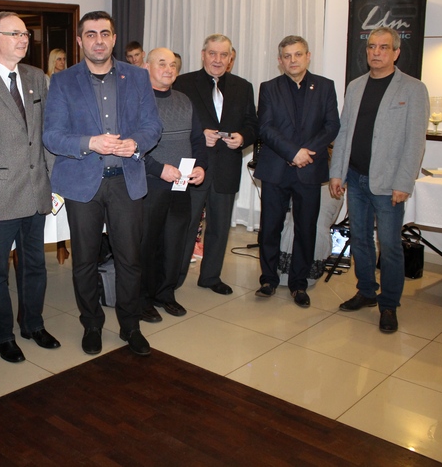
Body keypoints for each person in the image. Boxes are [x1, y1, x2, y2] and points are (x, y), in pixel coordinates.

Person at [43, 11, 162, 356]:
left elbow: (152, 126)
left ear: (114, 38)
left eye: (105, 34)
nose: (99, 40)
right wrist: (89, 143)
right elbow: (52, 135)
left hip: (126, 181)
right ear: (80, 40)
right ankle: (92, 324)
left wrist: (135, 143)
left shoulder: (137, 77)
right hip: (82, 184)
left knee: (130, 259)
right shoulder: (63, 81)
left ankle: (130, 326)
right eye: (91, 34)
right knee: (84, 261)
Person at [0, 12, 59, 363]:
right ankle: (3, 335)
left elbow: (46, 134)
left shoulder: (37, 78)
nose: (24, 40)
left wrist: (53, 181)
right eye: (16, 34)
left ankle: (33, 324)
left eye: (26, 34)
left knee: (35, 265)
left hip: (35, 190)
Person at [330, 27, 429, 333]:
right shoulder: (356, 86)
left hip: (388, 184)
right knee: (360, 239)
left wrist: (404, 182)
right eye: (372, 46)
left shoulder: (413, 89)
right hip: (356, 178)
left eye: (384, 47)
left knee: (389, 245)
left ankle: (389, 304)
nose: (376, 52)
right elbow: (344, 133)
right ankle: (366, 291)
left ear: (396, 52)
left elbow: (415, 141)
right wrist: (337, 172)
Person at [253, 36, 340, 307]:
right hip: (276, 168)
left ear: (308, 56)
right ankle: (268, 279)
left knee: (306, 228)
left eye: (298, 54)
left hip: (309, 170)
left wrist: (305, 153)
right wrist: (292, 153)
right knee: (270, 227)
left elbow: (332, 126)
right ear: (280, 61)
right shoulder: (269, 88)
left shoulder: (325, 86)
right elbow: (265, 127)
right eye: (287, 56)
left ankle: (299, 283)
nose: (293, 60)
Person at [174, 34, 258, 295]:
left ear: (231, 58)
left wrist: (242, 138)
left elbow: (252, 125)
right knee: (185, 226)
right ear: (203, 55)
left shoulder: (243, 87)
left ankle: (210, 277)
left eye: (224, 55)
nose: (218, 60)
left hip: (226, 167)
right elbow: (174, 124)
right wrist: (200, 135)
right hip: (192, 165)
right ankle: (173, 278)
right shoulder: (183, 83)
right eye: (213, 53)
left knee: (220, 227)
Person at [140, 48, 207, 323]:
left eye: (173, 65)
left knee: (174, 241)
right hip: (150, 184)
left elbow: (198, 140)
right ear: (146, 67)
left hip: (181, 184)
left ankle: (165, 293)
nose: (168, 69)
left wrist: (201, 167)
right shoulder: (137, 101)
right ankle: (143, 299)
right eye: (162, 63)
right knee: (147, 244)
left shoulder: (184, 100)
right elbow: (132, 147)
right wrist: (159, 169)